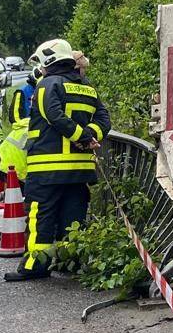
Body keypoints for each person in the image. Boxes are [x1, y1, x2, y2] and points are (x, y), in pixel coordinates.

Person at [7, 39, 110, 282]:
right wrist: (90, 136)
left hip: (47, 170)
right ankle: (69, 263)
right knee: (72, 219)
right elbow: (105, 119)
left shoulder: (46, 85)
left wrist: (81, 137)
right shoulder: (87, 87)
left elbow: (53, 115)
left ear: (47, 61)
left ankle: (35, 266)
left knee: (41, 217)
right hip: (80, 170)